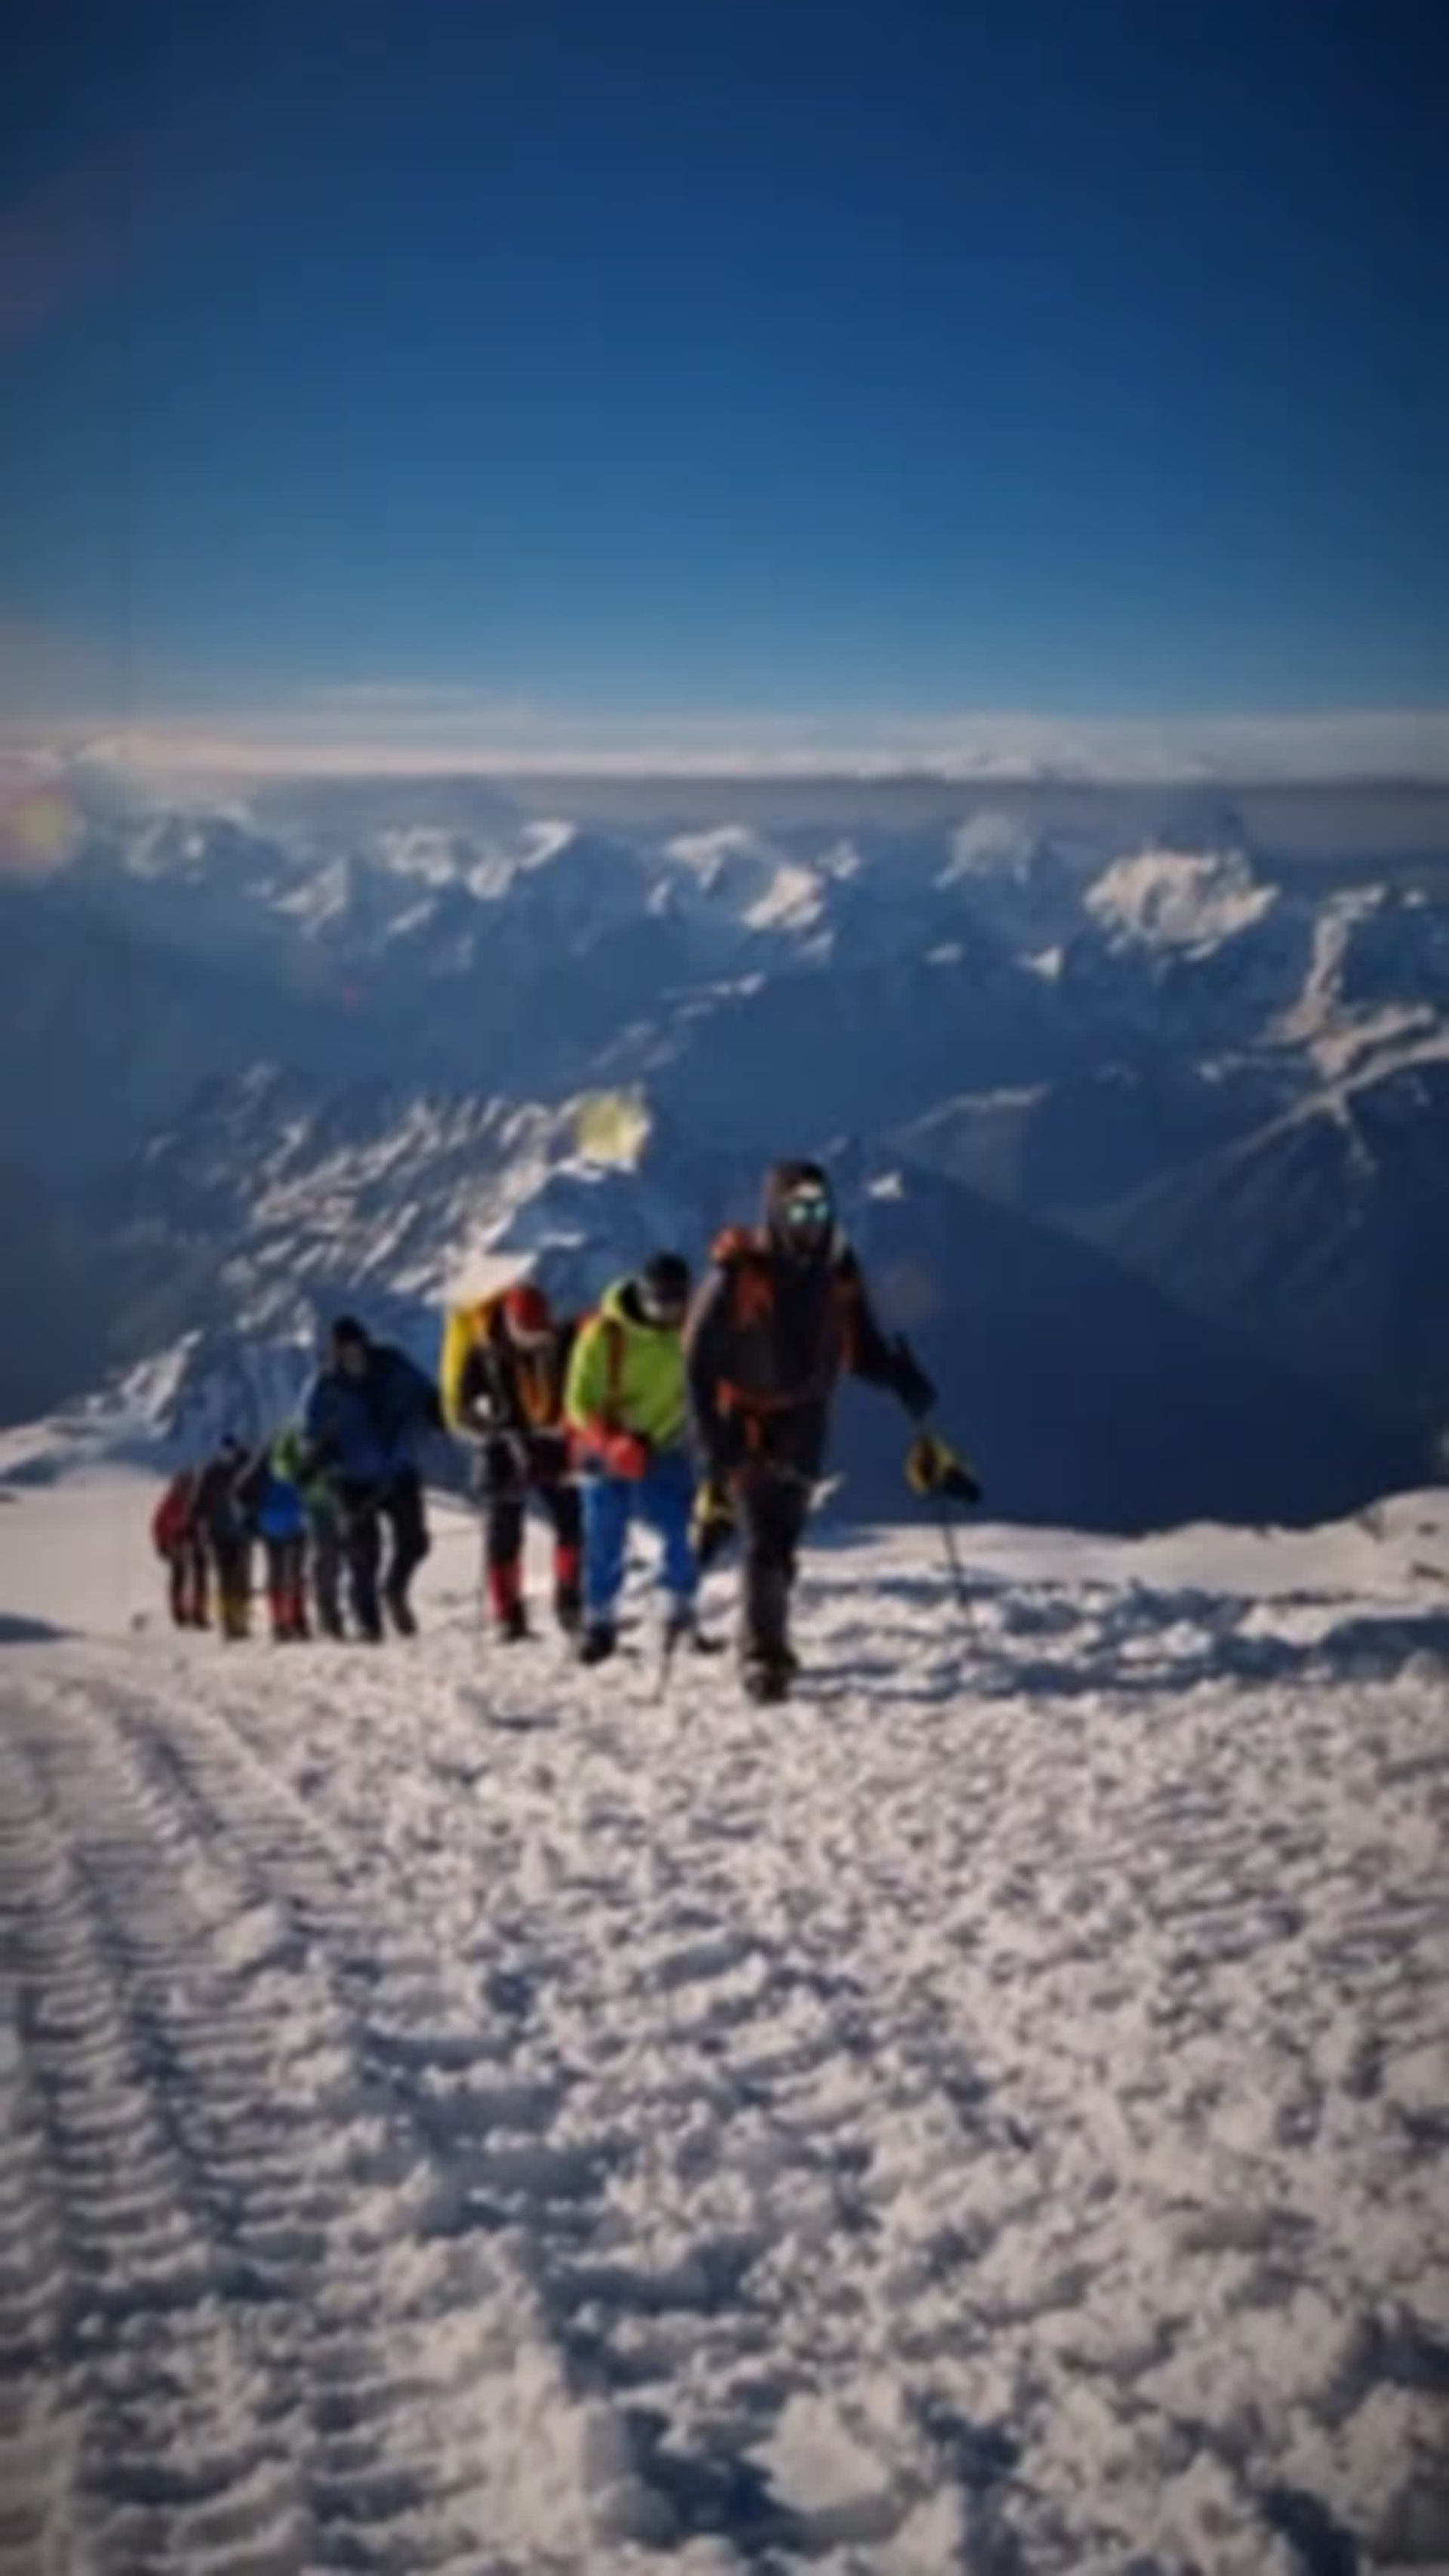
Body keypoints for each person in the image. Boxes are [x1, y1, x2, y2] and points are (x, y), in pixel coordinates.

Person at [684, 1159, 939, 1700]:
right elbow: (696, 1361)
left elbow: (860, 1348)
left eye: (819, 1208)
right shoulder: (739, 1273)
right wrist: (714, 1441)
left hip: (807, 1419)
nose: (811, 1220)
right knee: (763, 1534)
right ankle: (762, 1655)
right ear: (774, 1210)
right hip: (745, 1419)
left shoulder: (837, 1269)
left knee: (782, 1538)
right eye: (798, 1209)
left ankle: (763, 1633)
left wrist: (898, 1375)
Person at [562, 1252, 702, 1666]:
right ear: (642, 1297)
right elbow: (577, 1402)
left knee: (682, 1529)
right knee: (605, 1532)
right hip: (608, 1449)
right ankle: (599, 1620)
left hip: (664, 1443)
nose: (669, 1312)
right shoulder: (605, 1336)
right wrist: (611, 1443)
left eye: (676, 1302)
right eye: (661, 1302)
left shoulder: (691, 1331)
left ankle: (678, 1609)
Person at [451, 1280, 583, 1642]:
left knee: (573, 1519)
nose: (534, 1341)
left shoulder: (558, 1340)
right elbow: (462, 1407)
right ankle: (509, 1615)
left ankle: (571, 1604)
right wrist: (493, 1427)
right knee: (505, 1529)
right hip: (505, 1445)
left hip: (550, 1440)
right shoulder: (482, 1351)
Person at [302, 1316, 444, 1640]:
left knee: (415, 1542)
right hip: (351, 1479)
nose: (352, 1356)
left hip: (399, 1471)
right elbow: (311, 1432)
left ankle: (394, 1589)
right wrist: (318, 1456)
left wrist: (438, 1413)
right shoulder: (325, 1387)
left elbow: (426, 1393)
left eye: (356, 1348)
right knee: (363, 1552)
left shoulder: (393, 1366)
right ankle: (368, 1623)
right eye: (344, 1351)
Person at [272, 1421, 346, 1639]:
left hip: (338, 1503)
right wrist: (300, 1475)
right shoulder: (297, 1429)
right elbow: (280, 1465)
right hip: (311, 1507)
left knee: (332, 1561)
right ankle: (321, 1614)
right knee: (322, 1559)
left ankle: (317, 1614)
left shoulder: (335, 1423)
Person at [235, 1435, 311, 1642]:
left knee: (276, 1573)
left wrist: (255, 1511)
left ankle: (279, 1623)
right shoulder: (298, 1458)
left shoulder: (261, 1464)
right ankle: (298, 1621)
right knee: (296, 1572)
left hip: (270, 1525)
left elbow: (240, 1490)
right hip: (295, 1523)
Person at [192, 1434, 254, 1642]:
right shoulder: (211, 1473)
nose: (228, 1453)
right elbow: (199, 1503)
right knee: (227, 1580)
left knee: (241, 1580)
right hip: (220, 1534)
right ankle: (230, 1624)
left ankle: (240, 1622)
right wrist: (194, 1525)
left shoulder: (243, 1469)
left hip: (240, 1533)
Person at [150, 1467, 208, 1628]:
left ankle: (197, 1612)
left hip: (194, 1541)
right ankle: (180, 1613)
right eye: (185, 1485)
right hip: (177, 1543)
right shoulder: (172, 1502)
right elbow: (158, 1524)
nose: (187, 1489)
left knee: (199, 1576)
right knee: (181, 1576)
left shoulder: (198, 1500)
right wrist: (162, 1545)